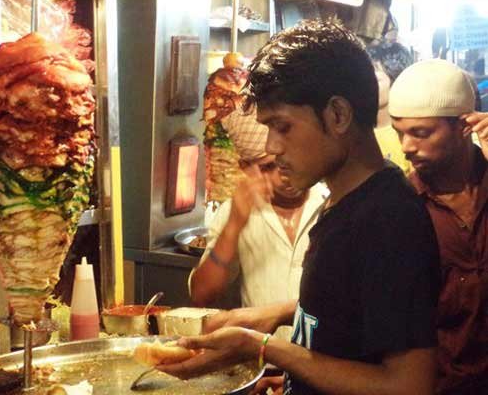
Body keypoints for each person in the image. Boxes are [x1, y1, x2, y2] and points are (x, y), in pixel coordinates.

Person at [158, 19, 440, 395]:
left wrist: (263, 347)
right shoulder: (346, 203)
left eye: (283, 126)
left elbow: (408, 386)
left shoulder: (388, 219)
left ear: (338, 115)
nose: (272, 147)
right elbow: (352, 312)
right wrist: (278, 317)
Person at [389, 58, 488, 395]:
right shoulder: (401, 208)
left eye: (420, 133)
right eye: (399, 133)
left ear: (464, 125)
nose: (406, 147)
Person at [189, 107, 327, 337]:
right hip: (264, 362)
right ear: (246, 168)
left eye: (289, 159)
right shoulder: (237, 212)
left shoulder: (331, 203)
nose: (283, 173)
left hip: (322, 364)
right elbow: (201, 296)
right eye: (269, 166)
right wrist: (234, 225)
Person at [366, 41, 413, 174]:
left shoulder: (411, 133)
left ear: (396, 79)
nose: (365, 85)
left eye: (374, 80)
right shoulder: (355, 133)